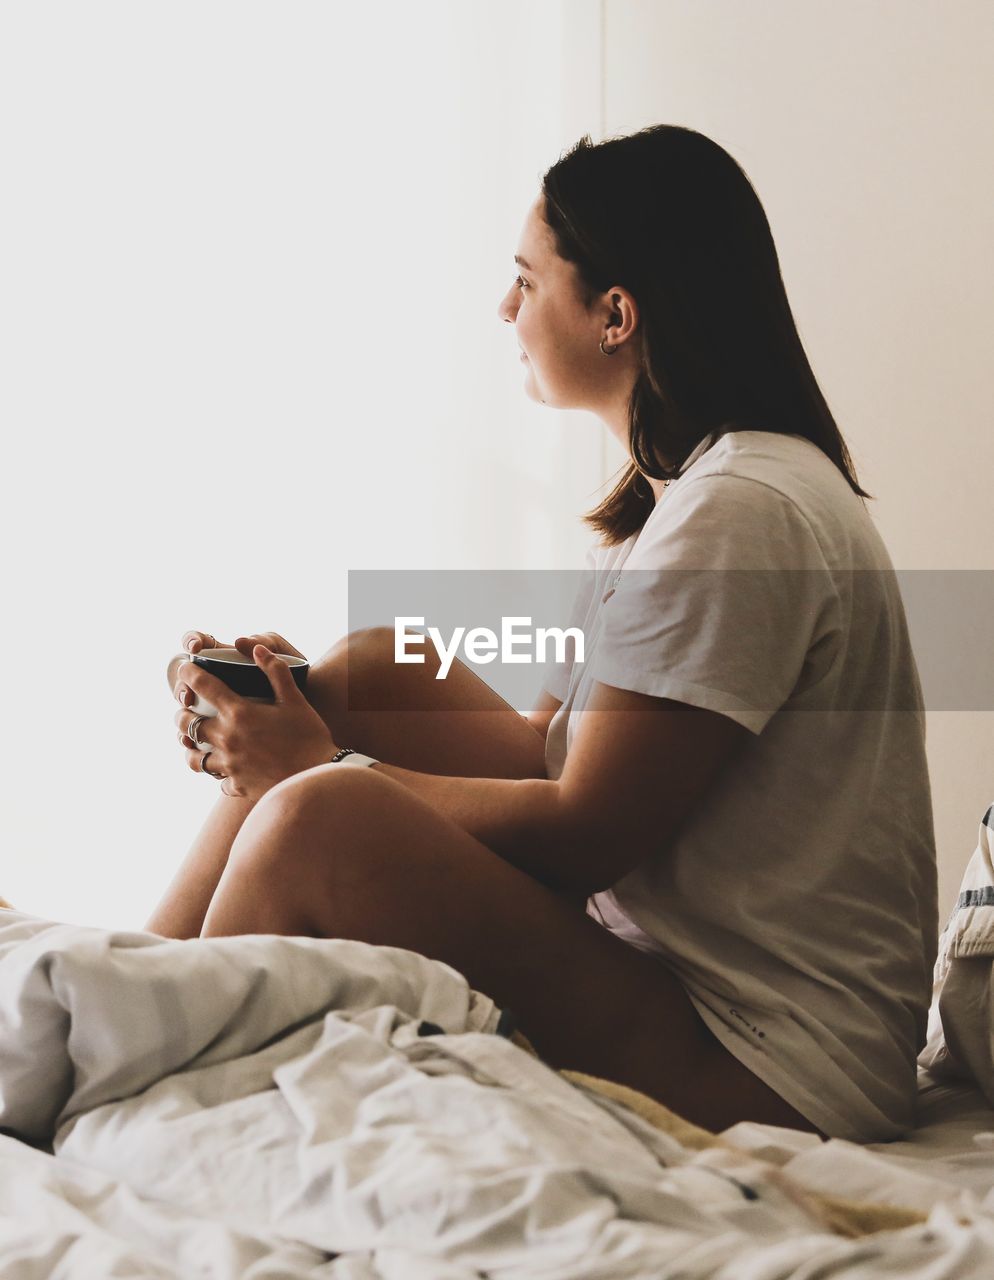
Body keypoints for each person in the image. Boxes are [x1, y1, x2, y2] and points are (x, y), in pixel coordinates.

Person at [149, 125, 937, 1142]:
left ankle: (138, 1064)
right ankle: (133, 978)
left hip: (774, 1053)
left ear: (614, 314)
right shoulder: (677, 501)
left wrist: (319, 766)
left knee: (317, 816)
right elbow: (547, 751)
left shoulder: (740, 511)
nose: (505, 309)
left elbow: (586, 830)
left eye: (526, 281)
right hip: (678, 981)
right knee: (375, 669)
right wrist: (302, 712)